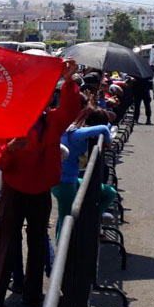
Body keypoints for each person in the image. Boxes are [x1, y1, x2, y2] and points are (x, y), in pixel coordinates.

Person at [0, 60, 79, 307]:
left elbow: (71, 109)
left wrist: (69, 80)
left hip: (41, 191)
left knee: (38, 242)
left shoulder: (53, 120)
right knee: (7, 241)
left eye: (46, 95)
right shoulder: (8, 121)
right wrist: (10, 147)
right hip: (14, 189)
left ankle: (33, 294)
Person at [52, 102, 113, 237]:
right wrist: (108, 141)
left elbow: (106, 125)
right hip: (64, 183)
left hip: (68, 179)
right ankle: (62, 255)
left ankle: (90, 220)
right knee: (65, 222)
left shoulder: (72, 129)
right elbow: (104, 128)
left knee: (109, 192)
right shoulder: (76, 134)